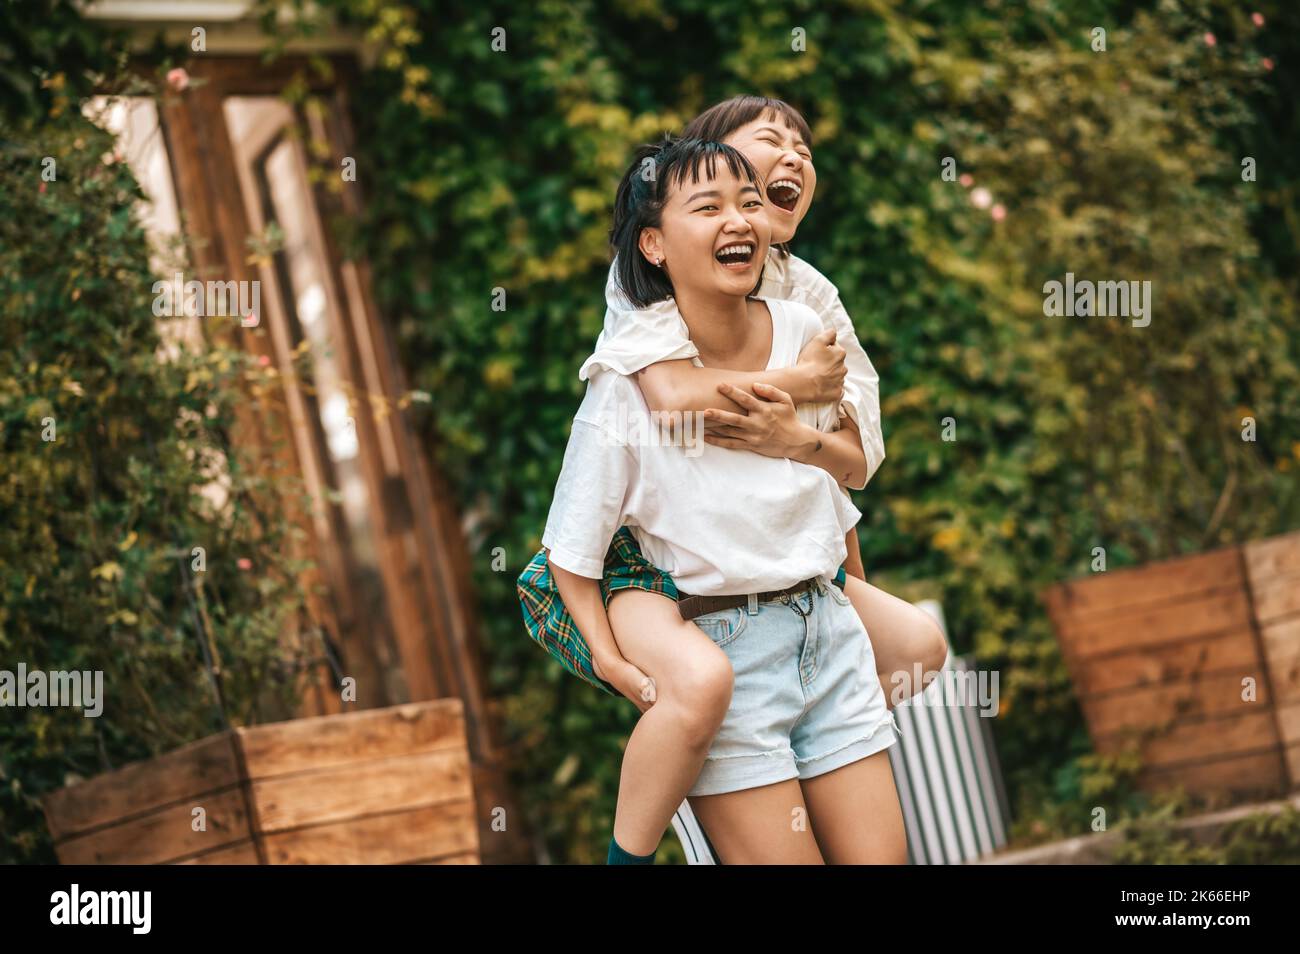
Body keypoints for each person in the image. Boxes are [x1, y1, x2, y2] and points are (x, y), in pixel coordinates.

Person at [524, 136, 907, 863]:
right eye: (708, 207)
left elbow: (833, 485)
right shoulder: (624, 385)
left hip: (827, 635)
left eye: (749, 202)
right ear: (655, 244)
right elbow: (571, 550)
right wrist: (612, 661)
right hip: (729, 654)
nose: (740, 220)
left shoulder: (802, 334)